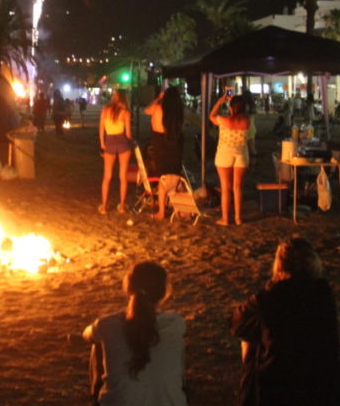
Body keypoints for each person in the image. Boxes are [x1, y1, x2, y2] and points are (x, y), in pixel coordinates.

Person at [231, 238, 340, 406]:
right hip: (326, 385)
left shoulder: (269, 297)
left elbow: (236, 324)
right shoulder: (323, 294)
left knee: (251, 337)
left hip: (278, 386)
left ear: (279, 265)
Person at [83, 261, 187, 406]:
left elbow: (86, 335)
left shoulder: (107, 325)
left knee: (98, 344)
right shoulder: (175, 323)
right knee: (175, 346)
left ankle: (94, 397)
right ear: (164, 292)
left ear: (128, 289)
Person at [210, 90, 253, 226]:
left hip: (224, 154)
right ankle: (238, 218)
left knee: (225, 188)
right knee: (238, 188)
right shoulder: (247, 121)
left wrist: (219, 102)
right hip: (241, 154)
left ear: (231, 107)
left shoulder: (224, 120)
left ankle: (225, 218)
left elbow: (211, 116)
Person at [144, 86, 185, 220]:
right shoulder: (177, 113)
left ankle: (162, 211)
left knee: (163, 178)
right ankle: (177, 207)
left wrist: (158, 98)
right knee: (174, 176)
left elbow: (146, 110)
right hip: (174, 145)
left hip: (160, 145)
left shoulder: (158, 108)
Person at [99, 89, 133, 214]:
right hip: (122, 142)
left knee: (107, 176)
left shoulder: (105, 110)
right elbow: (128, 133)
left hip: (110, 142)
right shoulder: (126, 113)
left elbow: (101, 129)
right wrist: (131, 141)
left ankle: (104, 206)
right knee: (123, 176)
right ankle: (122, 206)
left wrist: (102, 144)